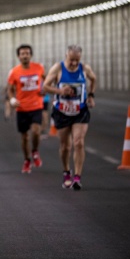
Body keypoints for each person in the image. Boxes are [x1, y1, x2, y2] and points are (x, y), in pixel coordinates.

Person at [43, 45, 97, 190]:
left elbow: (93, 79)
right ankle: (66, 171)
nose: (74, 63)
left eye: (76, 60)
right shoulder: (58, 69)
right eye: (71, 60)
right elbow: (45, 86)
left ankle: (77, 177)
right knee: (65, 146)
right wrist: (60, 90)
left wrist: (91, 95)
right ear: (66, 56)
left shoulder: (84, 69)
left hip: (80, 111)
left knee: (79, 142)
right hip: (62, 111)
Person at [7, 44, 46, 174]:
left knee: (36, 131)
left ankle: (35, 151)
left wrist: (44, 89)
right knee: (24, 137)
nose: (25, 56)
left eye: (27, 53)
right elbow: (10, 89)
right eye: (22, 54)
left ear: (31, 55)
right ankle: (27, 160)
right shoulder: (14, 72)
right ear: (19, 56)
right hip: (22, 108)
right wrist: (12, 100)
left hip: (36, 106)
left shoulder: (39, 68)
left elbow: (47, 79)